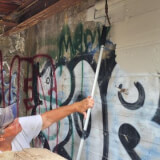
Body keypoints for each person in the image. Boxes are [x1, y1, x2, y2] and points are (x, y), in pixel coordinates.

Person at [0, 96, 94, 152]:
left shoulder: (19, 126)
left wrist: (76, 106)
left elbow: (46, 119)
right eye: (10, 124)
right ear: (1, 137)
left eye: (13, 118)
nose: (16, 121)